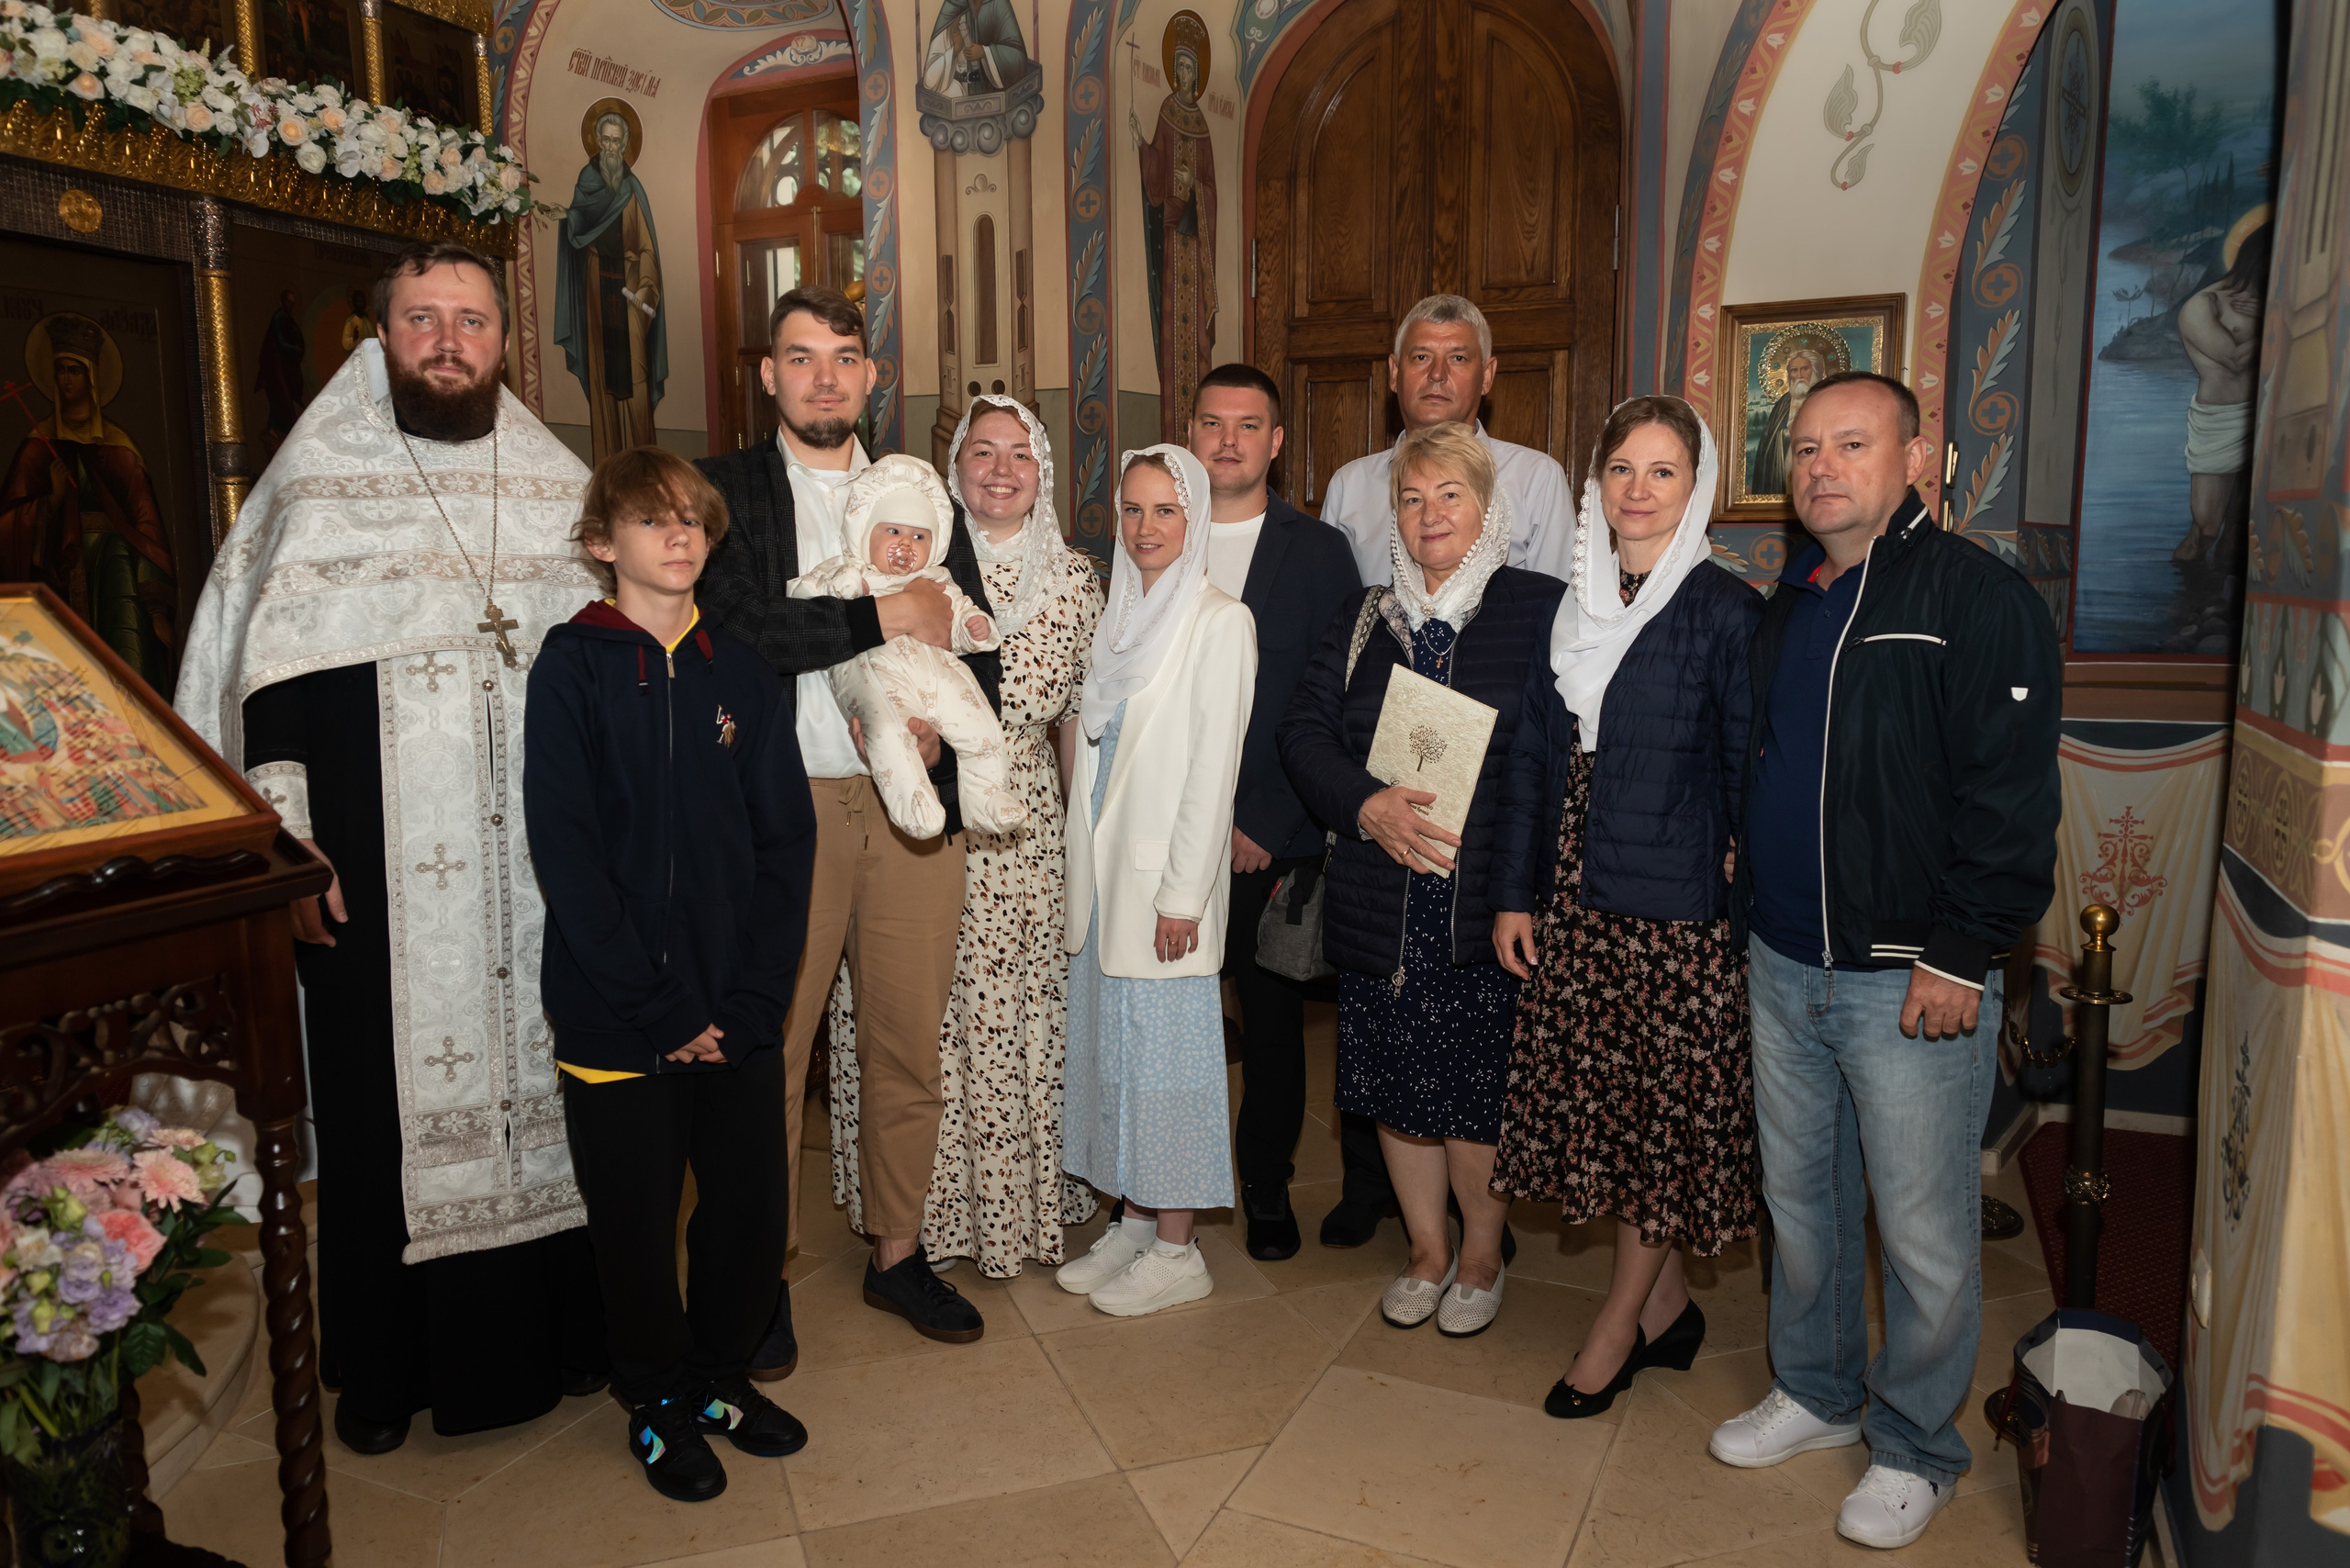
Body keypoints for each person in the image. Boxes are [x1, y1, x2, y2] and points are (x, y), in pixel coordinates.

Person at [175, 242, 609, 1453]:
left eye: (471, 320)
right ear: (380, 337)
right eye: (423, 319)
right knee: (378, 1111)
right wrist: (293, 844)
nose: (449, 341)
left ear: (504, 340)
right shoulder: (319, 480)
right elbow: (268, 682)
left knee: (556, 1090)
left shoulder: (551, 485)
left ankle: (573, 1339)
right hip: (366, 877)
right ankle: (390, 1369)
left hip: (537, 873)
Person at [1707, 372, 2060, 1551]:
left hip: (1910, 976)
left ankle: (1916, 1445)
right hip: (1781, 959)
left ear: (1921, 457)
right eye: (1804, 448)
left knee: (1920, 1232)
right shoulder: (1790, 600)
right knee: (1802, 1209)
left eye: (1851, 444)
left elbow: (2007, 804)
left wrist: (1958, 957)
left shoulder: (1973, 597)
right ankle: (1815, 1392)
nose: (1821, 467)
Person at [696, 286, 994, 1354]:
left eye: (847, 357)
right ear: (768, 375)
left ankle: (898, 1253)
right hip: (787, 810)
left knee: (908, 1043)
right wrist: (879, 613)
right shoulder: (725, 490)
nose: (826, 376)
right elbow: (738, 627)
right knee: (772, 1052)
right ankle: (757, 1271)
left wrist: (939, 726)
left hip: (910, 811)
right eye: (801, 356)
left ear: (873, 376)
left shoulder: (916, 486)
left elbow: (971, 631)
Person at [526, 447, 814, 1503]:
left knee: (744, 1212)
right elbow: (566, 853)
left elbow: (784, 847)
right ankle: (652, 1397)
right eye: (654, 521)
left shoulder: (737, 669)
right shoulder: (573, 665)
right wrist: (658, 1007)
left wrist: (746, 1001)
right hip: (617, 1019)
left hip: (733, 1012)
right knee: (636, 1226)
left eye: (693, 519)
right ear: (604, 544)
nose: (680, 536)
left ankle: (715, 1376)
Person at [1488, 395, 1762, 1418]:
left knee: (1653, 1130)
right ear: (1591, 483)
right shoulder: (1568, 606)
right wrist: (1515, 892)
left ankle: (1615, 1326)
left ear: (1698, 490)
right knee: (1602, 1117)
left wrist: (1737, 908)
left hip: (1675, 916)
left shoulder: (1726, 612)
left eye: (1662, 472)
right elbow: (1528, 758)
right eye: (1620, 470)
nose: (1637, 492)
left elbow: (1746, 777)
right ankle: (1669, 1307)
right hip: (1573, 894)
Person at [1280, 422, 1567, 1338]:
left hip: (1483, 898)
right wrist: (1364, 805)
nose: (1429, 512)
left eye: (1449, 494)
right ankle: (1425, 1250)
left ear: (1488, 509)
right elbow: (1303, 734)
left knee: (1475, 1094)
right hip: (1384, 890)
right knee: (1397, 1089)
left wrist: (1524, 879)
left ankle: (1480, 1255)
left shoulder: (1537, 608)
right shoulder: (1365, 617)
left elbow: (1549, 758)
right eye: (1411, 497)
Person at [1055, 446, 1256, 1316]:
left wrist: (1183, 896)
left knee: (1170, 1068)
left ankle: (1179, 1248)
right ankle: (1136, 1219)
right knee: (1119, 1057)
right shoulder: (1122, 615)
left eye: (1165, 512)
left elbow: (1213, 772)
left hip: (1162, 890)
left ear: (1195, 520)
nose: (1145, 529)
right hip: (1104, 882)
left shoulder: (1219, 621)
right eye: (1131, 511)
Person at [916, 394, 1104, 1279]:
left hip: (1022, 822)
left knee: (1013, 1009)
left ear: (1045, 473)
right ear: (954, 469)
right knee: (931, 1008)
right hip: (920, 807)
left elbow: (1057, 712)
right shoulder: (912, 562)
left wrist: (1083, 842)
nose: (1000, 470)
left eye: (1019, 454)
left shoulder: (1074, 579)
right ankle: (930, 1211)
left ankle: (1017, 1204)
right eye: (982, 452)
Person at [1185, 363, 1360, 1260]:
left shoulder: (1319, 552)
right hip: (1167, 831)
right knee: (1170, 1017)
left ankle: (1263, 1183)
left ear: (1276, 441)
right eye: (1212, 423)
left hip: (1270, 837)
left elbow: (1323, 700)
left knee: (1271, 1021)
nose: (1228, 440)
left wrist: (1261, 816)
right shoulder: (1157, 533)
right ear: (1192, 432)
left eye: (1247, 425)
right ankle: (1161, 1180)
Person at [786, 455, 1025, 839]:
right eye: (893, 531)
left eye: (919, 537)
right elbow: (797, 597)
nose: (905, 545)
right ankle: (913, 804)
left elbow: (958, 615)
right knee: (886, 731)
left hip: (938, 673)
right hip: (874, 673)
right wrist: (842, 590)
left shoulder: (936, 579)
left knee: (980, 724)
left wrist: (974, 628)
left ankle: (987, 796)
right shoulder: (851, 569)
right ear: (866, 533)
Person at [1320, 295, 1573, 591]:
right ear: (1394, 373)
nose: (1437, 374)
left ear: (1487, 376)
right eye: (1421, 357)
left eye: (1458, 358)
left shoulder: (1537, 481)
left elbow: (1559, 618)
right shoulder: (1348, 487)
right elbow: (1331, 618)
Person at [0, 311, 177, 689]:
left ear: (92, 377)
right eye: (60, 370)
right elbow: (8, 525)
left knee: (127, 668)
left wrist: (157, 608)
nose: (65, 379)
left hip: (118, 572)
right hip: (57, 576)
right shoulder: (37, 446)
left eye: (74, 371)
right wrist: (50, 502)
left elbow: (147, 524)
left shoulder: (118, 447)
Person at [555, 109, 668, 462]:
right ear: (596, 140)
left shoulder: (633, 189)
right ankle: (607, 464)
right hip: (596, 291)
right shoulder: (586, 182)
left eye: (616, 141)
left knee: (634, 376)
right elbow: (577, 224)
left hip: (630, 294)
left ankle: (643, 464)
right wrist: (566, 220)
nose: (610, 147)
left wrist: (645, 289)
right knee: (603, 379)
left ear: (625, 145)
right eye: (604, 139)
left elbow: (647, 246)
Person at [2173, 218, 2268, 564]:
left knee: (2240, 531)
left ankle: (2211, 606)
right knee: (2206, 530)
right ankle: (2183, 594)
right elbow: (2235, 361)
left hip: (2267, 417)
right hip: (2220, 421)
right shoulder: (2203, 305)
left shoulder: (2271, 301)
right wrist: (2274, 322)